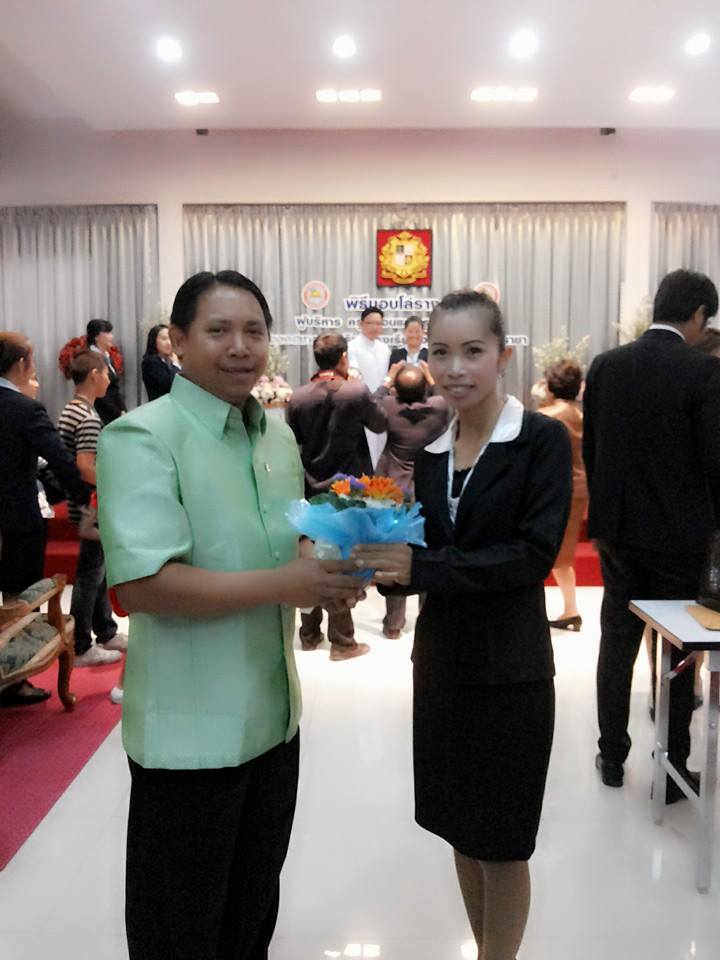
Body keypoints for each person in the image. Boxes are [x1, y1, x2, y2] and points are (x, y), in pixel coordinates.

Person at [96, 270, 364, 960]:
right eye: (218, 330)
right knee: (179, 933)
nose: (240, 347)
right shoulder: (141, 437)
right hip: (190, 736)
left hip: (274, 722)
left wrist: (323, 572)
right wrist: (285, 582)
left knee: (249, 919)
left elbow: (286, 540)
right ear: (179, 341)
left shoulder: (275, 437)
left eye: (254, 331)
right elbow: (145, 585)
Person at [353, 290, 572, 960]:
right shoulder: (433, 451)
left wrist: (420, 568)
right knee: (459, 829)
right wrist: (378, 562)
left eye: (473, 351)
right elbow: (430, 554)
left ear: (503, 356)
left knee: (503, 843)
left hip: (510, 671)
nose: (455, 368)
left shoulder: (539, 440)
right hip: (443, 666)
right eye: (441, 352)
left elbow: (530, 556)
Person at [583, 268, 720, 801]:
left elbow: (592, 450)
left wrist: (607, 515)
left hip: (618, 532)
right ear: (698, 315)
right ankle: (673, 768)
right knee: (678, 651)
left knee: (616, 642)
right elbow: (714, 461)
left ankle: (612, 757)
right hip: (680, 538)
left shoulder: (607, 365)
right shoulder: (704, 372)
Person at [0, 332, 91, 706]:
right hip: (18, 523)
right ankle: (13, 680)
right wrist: (86, 497)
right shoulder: (25, 410)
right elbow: (61, 461)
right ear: (22, 364)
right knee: (21, 602)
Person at [287, 331, 387, 660]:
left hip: (310, 484)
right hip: (348, 490)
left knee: (311, 555)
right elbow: (380, 423)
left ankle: (309, 633)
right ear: (344, 358)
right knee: (341, 561)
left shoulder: (298, 397)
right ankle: (343, 642)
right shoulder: (355, 391)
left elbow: (294, 439)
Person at [373, 361, 451, 637]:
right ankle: (428, 617)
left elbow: (372, 402)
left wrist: (388, 378)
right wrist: (431, 377)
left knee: (395, 554)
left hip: (395, 490)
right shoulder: (439, 407)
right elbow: (444, 396)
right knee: (427, 553)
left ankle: (393, 625)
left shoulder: (389, 407)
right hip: (430, 490)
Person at [58, 351, 126, 667]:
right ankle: (82, 645)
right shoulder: (86, 417)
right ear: (94, 375)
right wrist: (115, 486)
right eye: (106, 374)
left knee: (97, 572)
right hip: (91, 505)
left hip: (83, 502)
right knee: (90, 574)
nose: (109, 380)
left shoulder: (71, 410)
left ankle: (105, 630)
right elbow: (86, 466)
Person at [538, 359, 588, 631]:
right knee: (563, 555)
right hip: (578, 486)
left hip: (556, 488)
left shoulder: (549, 415)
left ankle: (569, 610)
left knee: (551, 552)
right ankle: (571, 610)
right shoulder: (578, 414)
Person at [347, 306, 390, 468]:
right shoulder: (352, 346)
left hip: (382, 405)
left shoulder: (384, 348)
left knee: (382, 445)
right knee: (366, 449)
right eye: (370, 323)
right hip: (362, 405)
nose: (375, 327)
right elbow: (353, 373)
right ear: (361, 324)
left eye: (378, 324)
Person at [87, 318, 126, 424]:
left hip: (115, 411)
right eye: (107, 333)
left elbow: (114, 387)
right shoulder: (91, 358)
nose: (111, 336)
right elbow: (100, 394)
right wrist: (117, 413)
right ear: (96, 336)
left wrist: (122, 410)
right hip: (102, 413)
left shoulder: (106, 356)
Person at [141, 323, 181, 400]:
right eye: (164, 339)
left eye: (170, 339)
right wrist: (175, 364)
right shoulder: (150, 362)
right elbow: (171, 385)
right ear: (154, 341)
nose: (169, 343)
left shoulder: (169, 360)